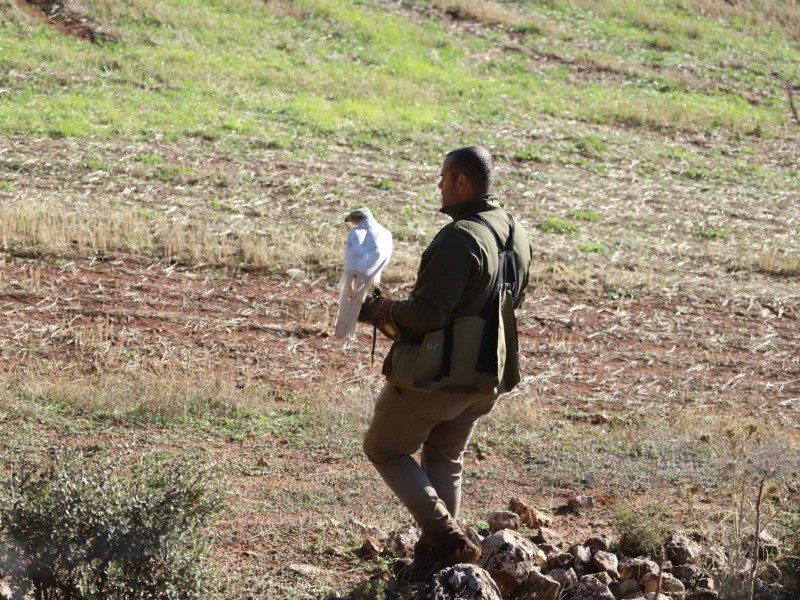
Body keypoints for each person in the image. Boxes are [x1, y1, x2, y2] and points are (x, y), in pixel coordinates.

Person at [357, 145, 533, 580]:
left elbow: (426, 316)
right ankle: (437, 558)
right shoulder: (515, 232)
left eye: (443, 177)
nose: (438, 184)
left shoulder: (461, 238)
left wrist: (381, 310)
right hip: (486, 379)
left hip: (438, 380)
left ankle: (447, 536)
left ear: (462, 182)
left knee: (385, 448)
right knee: (444, 459)